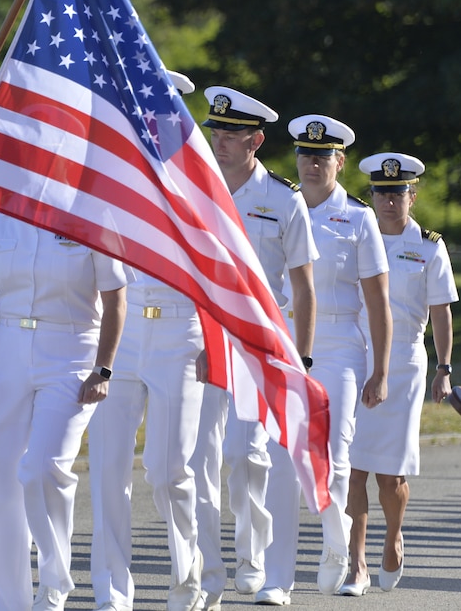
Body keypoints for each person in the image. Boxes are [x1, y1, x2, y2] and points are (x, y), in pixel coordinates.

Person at [0, 209, 128, 611]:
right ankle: (9, 600)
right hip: (8, 345)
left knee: (44, 467)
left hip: (72, 349)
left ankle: (54, 579)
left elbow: (116, 297)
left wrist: (103, 368)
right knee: (5, 482)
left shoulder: (92, 213)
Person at [187, 86, 318, 610]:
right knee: (199, 459)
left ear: (256, 140)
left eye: (232, 134)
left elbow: (304, 287)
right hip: (200, 335)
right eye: (215, 131)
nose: (219, 141)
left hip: (261, 340)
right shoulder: (196, 189)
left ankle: (253, 555)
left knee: (246, 454)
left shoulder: (283, 200)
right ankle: (207, 569)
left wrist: (302, 358)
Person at [87, 70, 206, 611]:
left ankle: (188, 580)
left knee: (169, 468)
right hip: (123, 329)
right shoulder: (113, 178)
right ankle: (112, 591)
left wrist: (212, 340)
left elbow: (217, 274)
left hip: (182, 332)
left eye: (164, 118)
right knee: (108, 465)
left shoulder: (203, 189)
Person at [260, 114, 391, 604]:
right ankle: (278, 578)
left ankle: (336, 546)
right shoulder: (278, 205)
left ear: (340, 161)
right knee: (279, 461)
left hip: (337, 347)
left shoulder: (358, 219)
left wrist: (379, 370)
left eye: (322, 156)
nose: (312, 164)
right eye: (305, 155)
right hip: (282, 342)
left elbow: (377, 302)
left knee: (334, 458)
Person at [339, 152, 458, 595]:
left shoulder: (429, 246)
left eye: (398, 193)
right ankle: (357, 562)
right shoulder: (352, 234)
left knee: (390, 475)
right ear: (371, 195)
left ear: (413, 195)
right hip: (355, 355)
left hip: (405, 363)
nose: (390, 201)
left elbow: (441, 311)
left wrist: (444, 367)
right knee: (351, 467)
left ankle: (393, 535)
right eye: (381, 193)